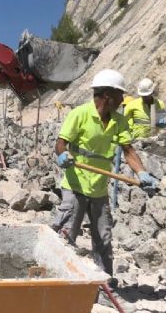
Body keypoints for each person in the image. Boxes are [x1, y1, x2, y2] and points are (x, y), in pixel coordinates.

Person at [51, 69, 158, 280]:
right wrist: (63, 155)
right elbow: (61, 143)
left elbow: (128, 150)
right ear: (108, 95)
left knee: (104, 238)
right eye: (120, 95)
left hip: (99, 189)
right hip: (75, 185)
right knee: (65, 236)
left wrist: (142, 173)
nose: (122, 100)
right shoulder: (80, 114)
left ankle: (104, 285)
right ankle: (55, 280)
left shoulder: (118, 121)